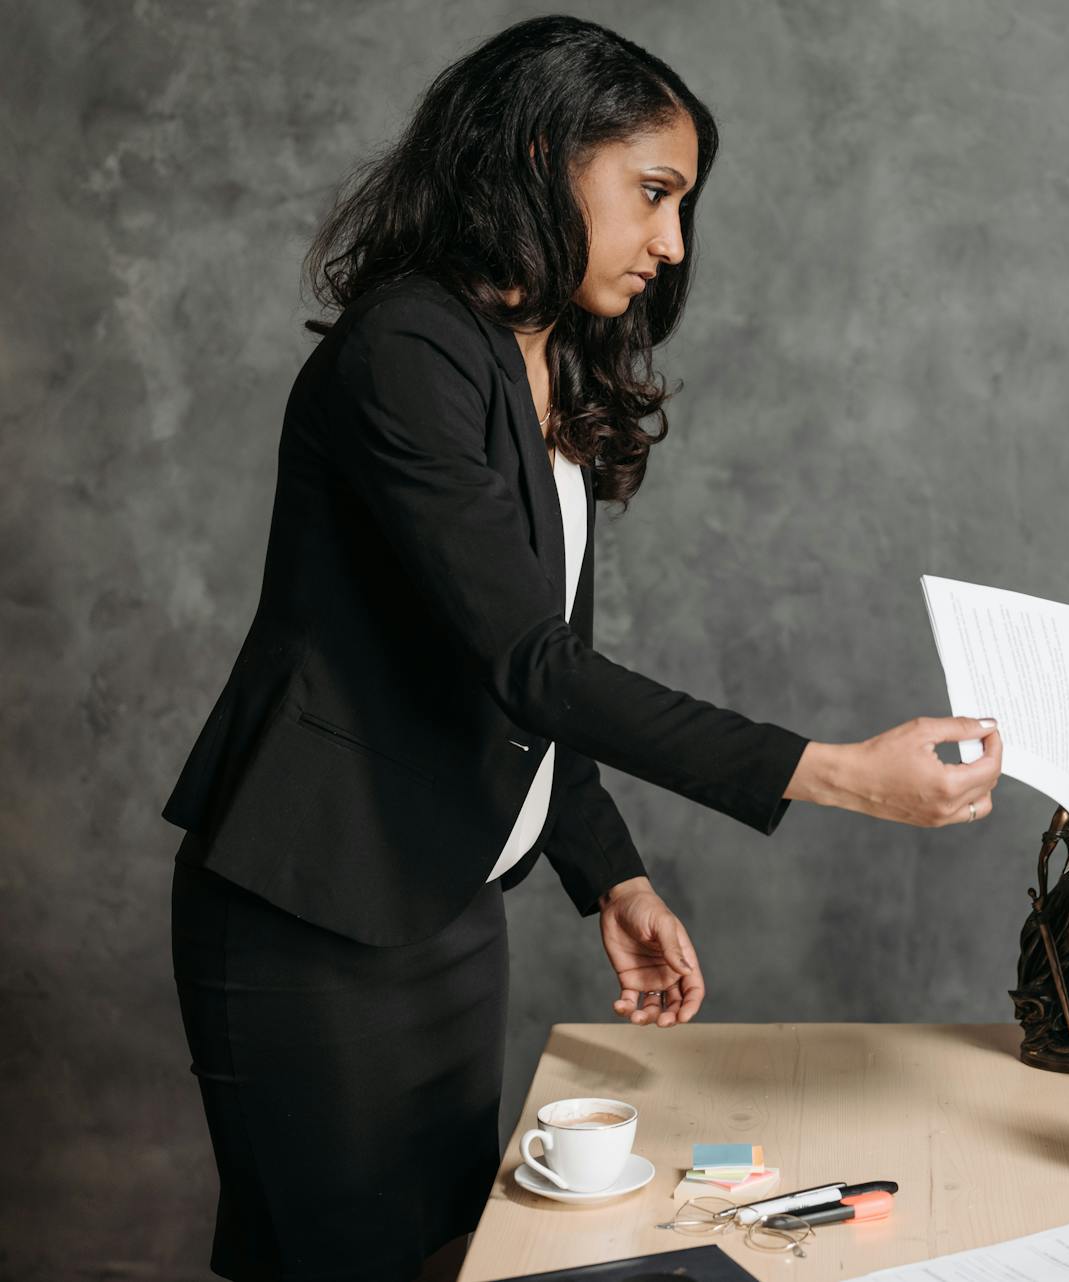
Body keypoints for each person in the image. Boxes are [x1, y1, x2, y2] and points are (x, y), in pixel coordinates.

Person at [164, 17, 1003, 1282]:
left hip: (445, 903)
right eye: (652, 194)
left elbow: (505, 670)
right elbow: (530, 667)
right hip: (314, 913)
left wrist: (607, 872)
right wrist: (832, 770)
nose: (672, 245)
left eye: (682, 207)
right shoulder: (407, 349)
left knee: (455, 1248)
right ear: (544, 157)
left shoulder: (542, 358)